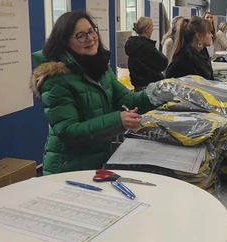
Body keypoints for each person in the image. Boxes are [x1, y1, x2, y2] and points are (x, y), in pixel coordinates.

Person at [31, 11, 157, 175]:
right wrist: (117, 120)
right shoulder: (56, 79)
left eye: (91, 31)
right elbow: (68, 131)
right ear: (65, 41)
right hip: (68, 168)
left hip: (96, 162)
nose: (90, 38)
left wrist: (157, 93)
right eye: (80, 35)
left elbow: (128, 99)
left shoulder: (100, 69)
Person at [125, 17, 168, 92]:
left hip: (139, 87)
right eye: (152, 26)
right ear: (146, 29)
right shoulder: (146, 47)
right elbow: (163, 63)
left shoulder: (134, 46)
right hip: (150, 88)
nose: (153, 29)